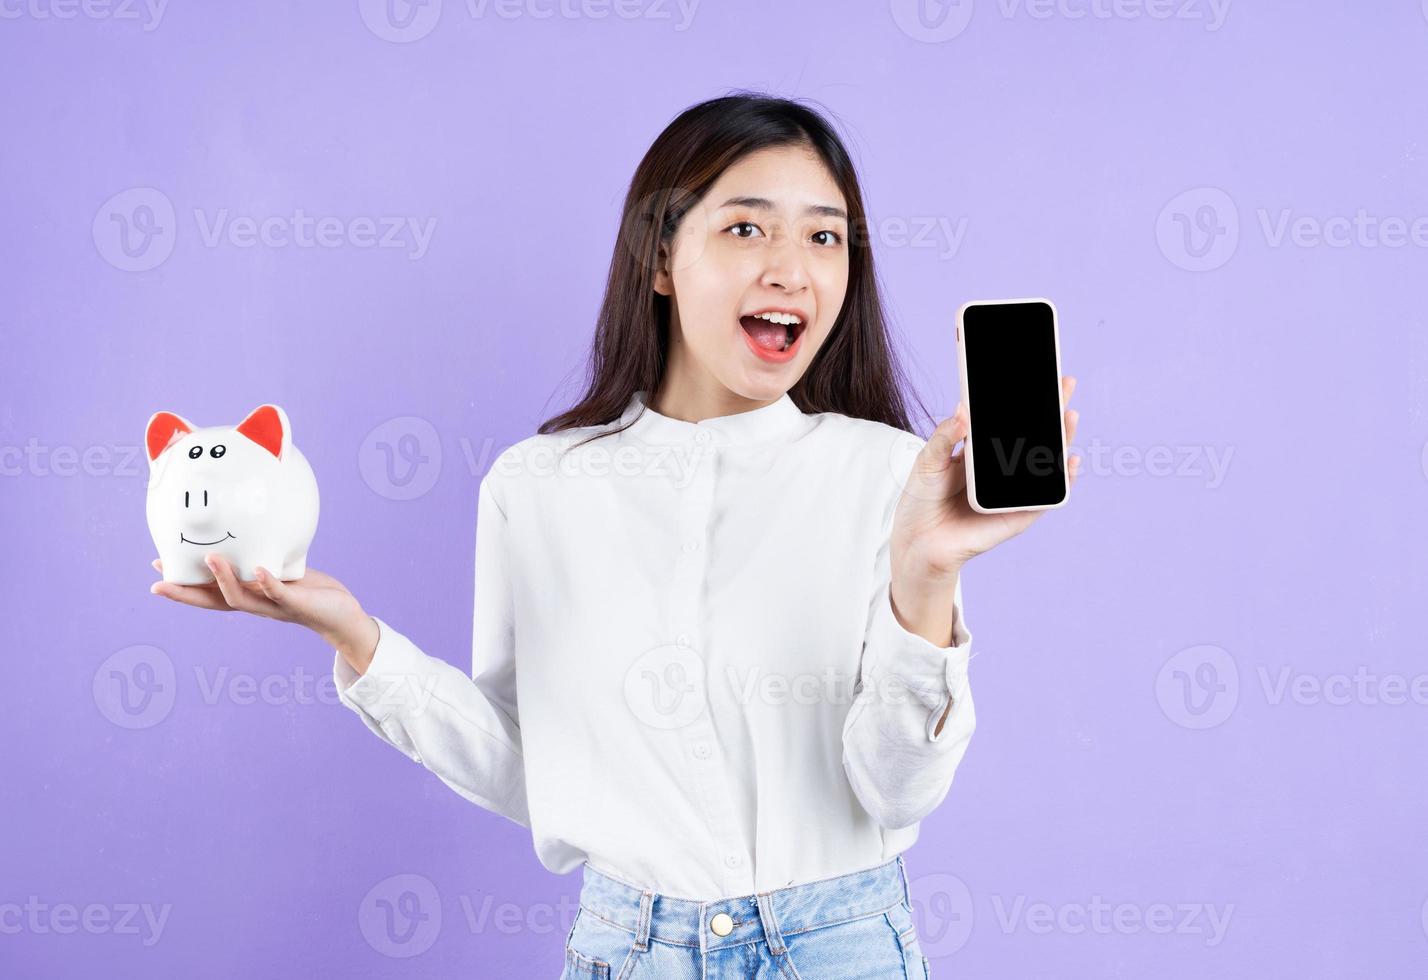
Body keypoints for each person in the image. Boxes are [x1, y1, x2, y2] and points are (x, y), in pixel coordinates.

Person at [151, 91, 1081, 979]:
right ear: (660, 258)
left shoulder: (889, 476)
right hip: (630, 950)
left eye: (824, 235)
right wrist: (355, 637)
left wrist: (923, 579)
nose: (792, 268)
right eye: (748, 226)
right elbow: (534, 772)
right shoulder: (538, 487)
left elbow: (898, 792)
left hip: (840, 947)